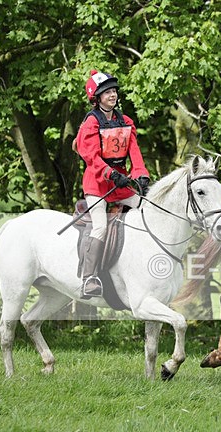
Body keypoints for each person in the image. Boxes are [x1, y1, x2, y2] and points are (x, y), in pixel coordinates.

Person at [75, 69, 151, 298]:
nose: (113, 95)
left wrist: (141, 175)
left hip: (121, 185)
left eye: (114, 91)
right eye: (107, 92)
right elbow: (91, 157)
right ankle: (89, 278)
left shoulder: (125, 121)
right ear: (96, 97)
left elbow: (135, 154)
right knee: (100, 225)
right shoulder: (90, 123)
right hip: (98, 184)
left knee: (147, 209)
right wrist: (110, 174)